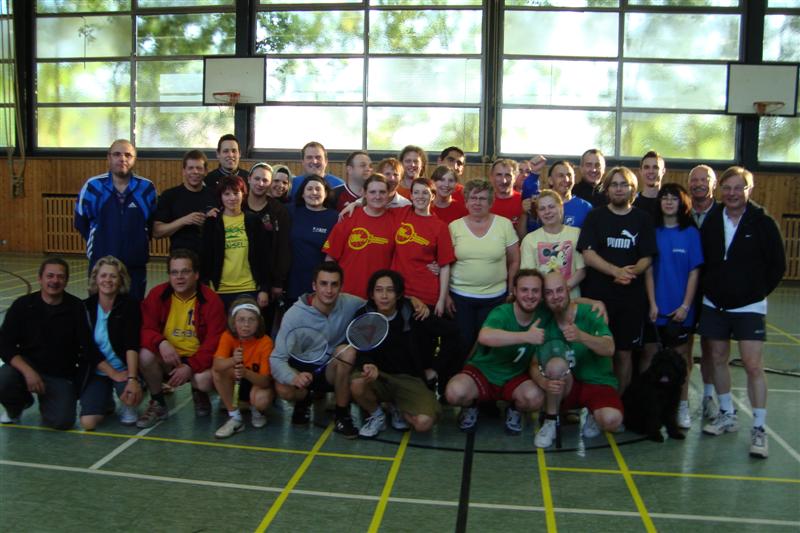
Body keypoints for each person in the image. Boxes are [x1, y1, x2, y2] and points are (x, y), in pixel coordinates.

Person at [698, 166, 786, 459]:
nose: (732, 193)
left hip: (749, 307)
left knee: (752, 365)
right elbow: (704, 260)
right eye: (727, 188)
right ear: (720, 190)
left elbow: (777, 266)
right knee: (717, 358)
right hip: (714, 304)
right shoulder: (712, 220)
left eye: (739, 188)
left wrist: (754, 292)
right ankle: (727, 413)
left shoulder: (763, 222)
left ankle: (759, 428)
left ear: (749, 190)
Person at [577, 166, 657, 394]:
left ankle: (618, 402)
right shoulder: (595, 216)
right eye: (614, 184)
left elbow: (647, 257)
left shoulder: (643, 219)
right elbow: (588, 254)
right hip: (598, 298)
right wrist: (615, 271)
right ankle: (593, 403)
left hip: (631, 300)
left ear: (632, 189)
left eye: (624, 185)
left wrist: (629, 273)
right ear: (607, 189)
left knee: (623, 354)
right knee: (595, 352)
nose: (619, 189)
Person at [0, 258, 101, 429]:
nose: (55, 281)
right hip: (27, 367)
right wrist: (28, 372)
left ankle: (50, 400)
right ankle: (17, 406)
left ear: (66, 281)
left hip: (59, 374)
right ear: (40, 279)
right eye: (50, 276)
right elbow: (5, 345)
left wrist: (77, 385)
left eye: (60, 277)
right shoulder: (22, 305)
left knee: (62, 422)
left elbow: (88, 348)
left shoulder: (76, 307)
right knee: (3, 379)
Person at [445, 269, 547, 435]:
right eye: (524, 290)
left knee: (536, 398)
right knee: (454, 393)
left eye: (535, 291)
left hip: (515, 376)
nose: (530, 295)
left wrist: (591, 302)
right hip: (484, 372)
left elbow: (567, 304)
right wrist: (525, 336)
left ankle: (514, 409)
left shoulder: (543, 315)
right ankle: (471, 406)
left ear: (542, 294)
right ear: (514, 291)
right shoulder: (502, 312)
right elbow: (485, 336)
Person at [270, 262, 365, 438]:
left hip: (330, 370)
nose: (329, 290)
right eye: (323, 284)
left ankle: (342, 414)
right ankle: (303, 400)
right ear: (314, 286)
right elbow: (276, 359)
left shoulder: (351, 303)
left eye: (334, 284)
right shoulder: (294, 315)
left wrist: (410, 301)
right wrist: (293, 377)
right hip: (302, 370)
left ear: (341, 287)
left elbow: (379, 304)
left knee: (347, 352)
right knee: (283, 388)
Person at [137, 249, 226, 428]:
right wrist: (161, 342)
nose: (179, 277)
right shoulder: (157, 295)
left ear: (196, 274)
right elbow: (145, 328)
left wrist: (191, 366)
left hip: (197, 360)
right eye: (174, 272)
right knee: (144, 355)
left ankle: (199, 392)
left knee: (204, 380)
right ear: (169, 275)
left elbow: (214, 341)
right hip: (168, 358)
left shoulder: (211, 300)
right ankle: (158, 402)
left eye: (185, 272)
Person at [533, 271, 621, 448]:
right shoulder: (543, 319)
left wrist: (582, 337)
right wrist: (543, 382)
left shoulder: (591, 312)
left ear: (568, 290)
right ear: (544, 297)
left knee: (612, 419)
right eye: (549, 292)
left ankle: (593, 414)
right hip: (568, 384)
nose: (555, 296)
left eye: (559, 290)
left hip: (597, 381)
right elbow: (534, 363)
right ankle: (551, 421)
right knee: (555, 365)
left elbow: (609, 348)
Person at [352, 270, 442, 438]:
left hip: (409, 379)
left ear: (399, 294)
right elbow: (360, 350)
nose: (384, 296)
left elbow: (451, 335)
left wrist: (435, 368)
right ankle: (377, 415)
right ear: (371, 294)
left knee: (423, 423)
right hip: (378, 377)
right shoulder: (363, 315)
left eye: (390, 290)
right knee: (357, 383)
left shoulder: (414, 312)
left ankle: (397, 407)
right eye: (379, 290)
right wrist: (367, 364)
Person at [643, 184, 703, 430]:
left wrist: (685, 306)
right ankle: (649, 408)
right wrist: (652, 303)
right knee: (649, 358)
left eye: (674, 199)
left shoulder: (690, 233)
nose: (668, 202)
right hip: (655, 309)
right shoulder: (652, 231)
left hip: (680, 311)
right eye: (664, 198)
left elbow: (694, 272)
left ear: (682, 203)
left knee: (681, 361)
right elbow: (647, 269)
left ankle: (682, 406)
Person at [74, 139, 157, 300]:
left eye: (128, 155)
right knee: (100, 310)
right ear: (109, 157)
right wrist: (101, 242)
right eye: (117, 154)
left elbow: (150, 224)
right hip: (101, 266)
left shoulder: (147, 188)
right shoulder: (93, 187)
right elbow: (81, 222)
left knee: (133, 310)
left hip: (135, 267)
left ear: (134, 159)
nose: (122, 159)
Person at [448, 179, 520, 350]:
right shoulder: (454, 227)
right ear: (466, 201)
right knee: (463, 343)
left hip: (495, 297)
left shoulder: (504, 225)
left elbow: (515, 260)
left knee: (489, 346)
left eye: (482, 198)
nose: (477, 202)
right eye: (473, 198)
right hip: (460, 297)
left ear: (490, 202)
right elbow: (446, 263)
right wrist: (445, 296)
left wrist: (511, 289)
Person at [79, 256, 143, 430]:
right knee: (88, 423)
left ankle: (130, 396)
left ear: (120, 280)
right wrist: (112, 373)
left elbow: (132, 344)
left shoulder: (130, 305)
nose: (108, 280)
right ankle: (105, 400)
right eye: (103, 275)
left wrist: (132, 378)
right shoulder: (85, 307)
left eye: (113, 276)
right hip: (98, 371)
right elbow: (89, 349)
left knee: (130, 415)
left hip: (124, 370)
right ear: (96, 279)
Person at [201, 175, 270, 310]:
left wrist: (264, 289)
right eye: (227, 194)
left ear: (243, 194)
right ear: (220, 197)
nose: (232, 198)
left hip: (249, 287)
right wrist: (205, 284)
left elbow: (263, 256)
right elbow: (205, 256)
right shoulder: (212, 222)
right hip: (219, 289)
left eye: (236, 193)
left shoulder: (253, 220)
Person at [323, 174, 397, 299]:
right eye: (372, 192)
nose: (377, 196)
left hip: (381, 297)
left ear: (389, 194)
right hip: (347, 294)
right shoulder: (349, 217)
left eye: (382, 192)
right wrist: (332, 289)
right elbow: (330, 258)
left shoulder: (397, 219)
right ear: (364, 193)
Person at [687, 164, 722, 419]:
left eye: (704, 179)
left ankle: (709, 396)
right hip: (685, 291)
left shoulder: (723, 214)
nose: (699, 184)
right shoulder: (683, 213)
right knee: (685, 348)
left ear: (713, 184)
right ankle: (682, 399)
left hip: (713, 292)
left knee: (711, 348)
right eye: (694, 180)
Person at [212, 297, 274, 439]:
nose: (246, 325)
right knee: (218, 372)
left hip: (256, 383)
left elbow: (265, 381)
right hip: (236, 382)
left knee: (261, 399)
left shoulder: (265, 342)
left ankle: (257, 411)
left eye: (251, 320)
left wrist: (245, 372)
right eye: (241, 320)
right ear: (233, 322)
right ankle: (235, 417)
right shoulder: (227, 336)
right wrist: (233, 360)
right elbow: (217, 365)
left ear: (259, 322)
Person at [245, 162, 292, 323]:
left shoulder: (278, 210)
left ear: (270, 183)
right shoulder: (238, 205)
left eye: (265, 180)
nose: (260, 183)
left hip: (268, 281)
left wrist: (278, 282)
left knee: (263, 326)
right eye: (257, 179)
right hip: (239, 277)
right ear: (249, 178)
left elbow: (283, 248)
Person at [520, 189, 585, 299]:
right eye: (542, 209)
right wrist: (550, 294)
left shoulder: (576, 234)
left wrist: (561, 291)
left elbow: (582, 270)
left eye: (551, 207)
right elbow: (529, 277)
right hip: (543, 301)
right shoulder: (529, 240)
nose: (547, 212)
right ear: (538, 213)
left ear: (561, 207)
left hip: (572, 300)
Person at [286, 176, 340, 304]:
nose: (314, 192)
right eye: (309, 189)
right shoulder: (290, 212)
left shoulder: (335, 217)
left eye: (318, 189)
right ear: (302, 194)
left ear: (326, 193)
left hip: (323, 284)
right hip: (294, 282)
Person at [153, 150, 218, 255]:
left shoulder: (214, 195)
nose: (195, 172)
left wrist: (213, 220)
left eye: (199, 168)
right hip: (180, 258)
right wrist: (184, 220)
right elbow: (157, 232)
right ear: (184, 171)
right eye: (190, 168)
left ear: (206, 171)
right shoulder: (170, 196)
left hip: (209, 257)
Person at [519, 160, 592, 236]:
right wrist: (524, 213)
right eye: (561, 175)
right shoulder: (538, 202)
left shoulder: (585, 207)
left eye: (569, 175)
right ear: (550, 180)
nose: (566, 179)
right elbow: (523, 238)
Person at [487, 158, 523, 227]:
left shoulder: (523, 201)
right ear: (491, 177)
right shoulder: (482, 202)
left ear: (515, 177)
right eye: (499, 175)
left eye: (508, 175)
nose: (504, 181)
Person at [633, 150, 665, 220]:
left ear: (663, 171)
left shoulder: (670, 204)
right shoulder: (631, 203)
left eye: (655, 167)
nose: (651, 171)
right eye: (647, 167)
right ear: (640, 171)